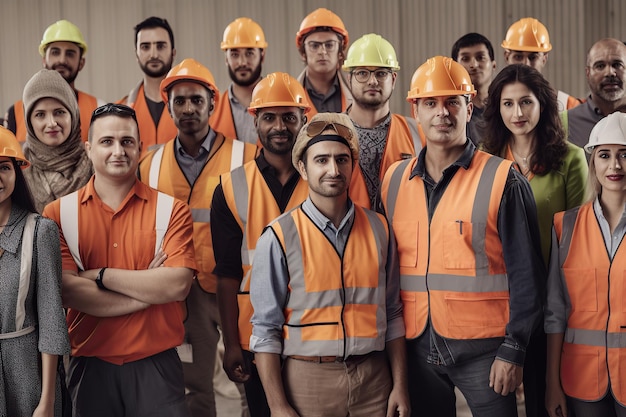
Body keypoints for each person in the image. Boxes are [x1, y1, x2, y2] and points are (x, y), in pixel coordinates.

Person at [381, 56, 544, 417]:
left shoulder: (503, 179)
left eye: (453, 102)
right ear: (415, 110)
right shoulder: (393, 181)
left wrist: (514, 350)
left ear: (469, 109)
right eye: (431, 103)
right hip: (417, 349)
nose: (442, 113)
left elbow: (527, 277)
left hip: (485, 353)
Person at [250, 112, 409, 417]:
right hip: (308, 380)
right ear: (303, 168)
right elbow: (265, 329)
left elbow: (393, 314)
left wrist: (400, 386)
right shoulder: (279, 236)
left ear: (353, 164)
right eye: (321, 160)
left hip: (374, 379)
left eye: (342, 159)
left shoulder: (380, 229)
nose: (333, 170)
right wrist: (278, 405)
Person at [42, 103, 196, 416]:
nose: (118, 151)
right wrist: (149, 292)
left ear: (140, 147)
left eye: (126, 142)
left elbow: (177, 285)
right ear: (88, 148)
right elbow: (69, 291)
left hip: (158, 365)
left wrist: (99, 274)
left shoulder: (172, 210)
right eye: (106, 141)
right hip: (90, 368)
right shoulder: (57, 214)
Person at [138, 58, 257, 417]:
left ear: (212, 103)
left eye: (196, 100)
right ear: (169, 106)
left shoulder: (246, 156)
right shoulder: (150, 163)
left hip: (236, 287)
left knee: (247, 379)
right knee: (194, 384)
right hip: (182, 294)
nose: (188, 108)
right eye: (179, 101)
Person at [481, 63, 588, 417]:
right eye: (508, 104)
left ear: (543, 104)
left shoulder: (571, 159)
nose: (518, 113)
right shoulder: (485, 161)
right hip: (498, 301)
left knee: (547, 399)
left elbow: (580, 239)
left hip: (552, 299)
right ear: (497, 108)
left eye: (525, 102)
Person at [212, 72, 311, 417]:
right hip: (255, 336)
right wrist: (231, 344)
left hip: (313, 331)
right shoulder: (230, 187)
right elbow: (225, 274)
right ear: (255, 121)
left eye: (289, 117)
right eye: (269, 117)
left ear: (304, 120)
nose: (280, 126)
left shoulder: (324, 179)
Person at [545, 111, 626, 417]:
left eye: (624, 155)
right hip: (581, 377)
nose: (615, 166)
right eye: (605, 155)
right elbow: (555, 313)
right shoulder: (565, 227)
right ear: (593, 161)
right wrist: (552, 382)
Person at [0, 126, 70, 417]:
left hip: (26, 373)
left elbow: (52, 320)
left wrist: (47, 401)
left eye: (3, 167)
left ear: (17, 171)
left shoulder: (40, 231)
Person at [342, 33, 423, 209]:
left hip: (403, 235)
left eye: (381, 73)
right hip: (349, 235)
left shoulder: (418, 133)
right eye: (362, 73)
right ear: (349, 80)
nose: (372, 81)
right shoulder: (330, 132)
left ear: (393, 80)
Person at [5, 19, 105, 142]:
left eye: (70, 53)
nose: (62, 60)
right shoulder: (15, 112)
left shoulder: (99, 108)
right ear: (44, 60)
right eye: (55, 52)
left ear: (81, 63)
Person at [21, 69, 92, 213]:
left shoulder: (96, 164)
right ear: (29, 122)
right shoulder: (19, 171)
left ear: (73, 115)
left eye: (59, 112)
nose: (52, 122)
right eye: (40, 114)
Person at [118, 16, 178, 156]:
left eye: (160, 46)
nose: (153, 54)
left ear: (173, 52)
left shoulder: (195, 109)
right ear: (136, 54)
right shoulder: (121, 111)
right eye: (145, 47)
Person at [502, 17, 581, 112]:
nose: (526, 64)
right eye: (518, 57)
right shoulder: (493, 104)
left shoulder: (568, 105)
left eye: (533, 57)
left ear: (544, 58)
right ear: (506, 57)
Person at [211, 17, 267, 145]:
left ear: (262, 55)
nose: (242, 62)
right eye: (235, 54)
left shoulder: (281, 105)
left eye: (249, 53)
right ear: (226, 59)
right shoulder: (211, 111)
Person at [565, 38, 626, 148]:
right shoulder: (564, 124)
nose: (610, 73)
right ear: (588, 73)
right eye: (600, 66)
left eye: (617, 65)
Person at [295, 8, 353, 116]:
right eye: (314, 45)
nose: (322, 51)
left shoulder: (357, 95)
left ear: (340, 52)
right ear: (303, 53)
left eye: (329, 45)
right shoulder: (289, 95)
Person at [452, 32, 497, 145]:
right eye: (465, 58)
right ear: (455, 68)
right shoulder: (449, 112)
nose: (474, 65)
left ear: (493, 65)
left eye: (480, 57)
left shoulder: (508, 108)